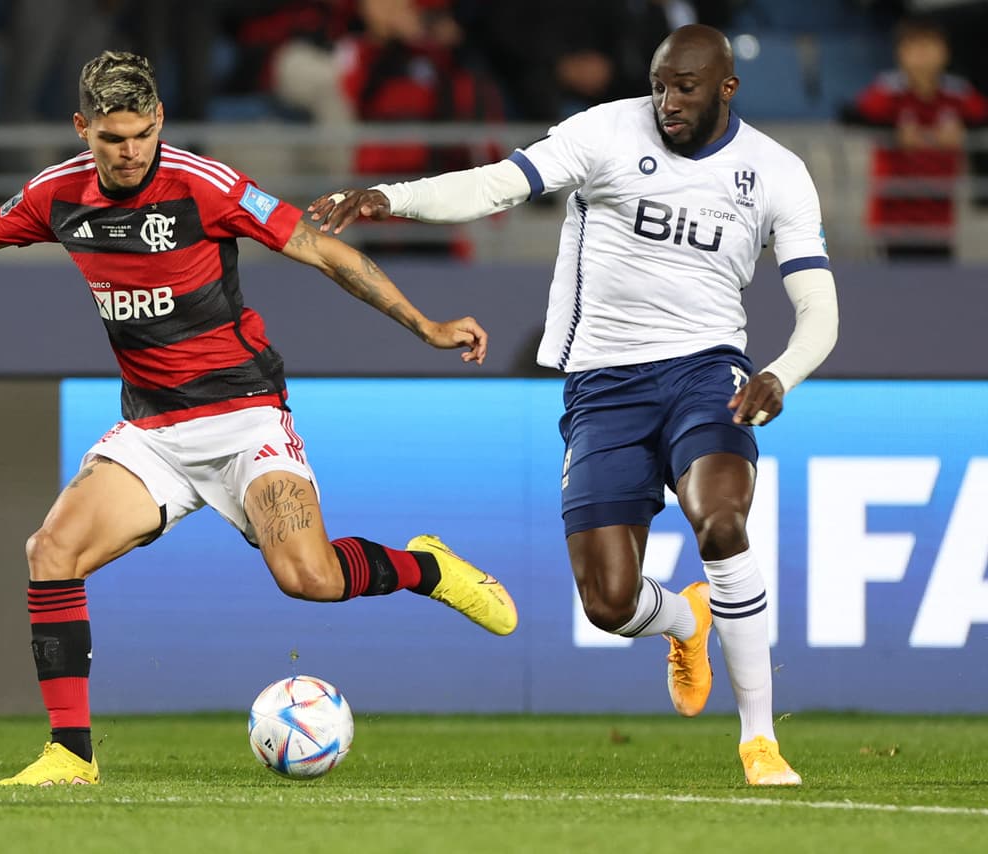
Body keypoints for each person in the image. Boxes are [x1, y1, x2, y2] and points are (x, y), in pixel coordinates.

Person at [0, 50, 518, 786]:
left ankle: (428, 567)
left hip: (244, 419)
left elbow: (322, 251)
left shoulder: (205, 186)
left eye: (141, 133)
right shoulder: (56, 195)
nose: (130, 151)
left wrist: (425, 325)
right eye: (112, 138)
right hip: (153, 434)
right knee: (51, 552)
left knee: (310, 579)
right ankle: (70, 756)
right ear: (83, 129)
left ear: (159, 120)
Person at [310, 24, 839, 786]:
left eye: (685, 87)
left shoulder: (779, 173)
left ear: (727, 86)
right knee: (609, 604)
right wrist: (386, 198)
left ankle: (759, 740)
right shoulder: (604, 131)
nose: (668, 101)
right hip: (604, 384)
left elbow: (818, 306)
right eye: (659, 84)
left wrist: (781, 374)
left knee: (722, 520)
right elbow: (495, 182)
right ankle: (686, 620)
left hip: (707, 372)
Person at [851, 17, 988, 258]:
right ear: (901, 53)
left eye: (930, 46)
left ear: (945, 52)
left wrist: (964, 128)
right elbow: (853, 115)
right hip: (892, 219)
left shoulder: (957, 93)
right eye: (915, 47)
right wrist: (895, 132)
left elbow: (981, 115)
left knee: (935, 287)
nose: (923, 55)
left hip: (939, 219)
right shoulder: (888, 90)